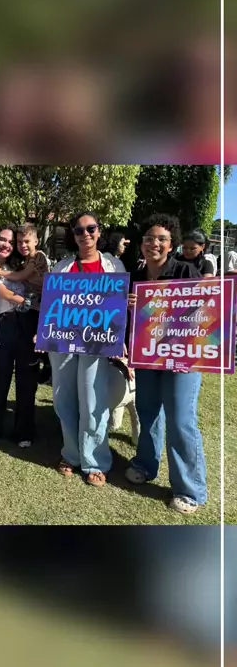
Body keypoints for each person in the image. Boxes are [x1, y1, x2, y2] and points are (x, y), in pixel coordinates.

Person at [125, 214, 207, 514]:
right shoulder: (135, 275)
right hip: (147, 355)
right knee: (148, 412)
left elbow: (206, 311)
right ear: (142, 243)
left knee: (181, 419)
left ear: (172, 245)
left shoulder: (186, 270)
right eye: (149, 238)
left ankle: (190, 489)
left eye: (162, 239)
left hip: (182, 358)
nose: (154, 244)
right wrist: (129, 306)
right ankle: (145, 464)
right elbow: (127, 320)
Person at [48, 212, 126, 485]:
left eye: (90, 228)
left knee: (93, 401)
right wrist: (43, 333)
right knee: (63, 399)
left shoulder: (114, 265)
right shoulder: (63, 267)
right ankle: (71, 454)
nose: (85, 234)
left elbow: (118, 307)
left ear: (99, 231)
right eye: (79, 230)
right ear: (73, 235)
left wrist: (119, 338)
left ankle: (95, 461)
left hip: (97, 344)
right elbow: (52, 305)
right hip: (63, 342)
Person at [0, 224, 39, 447]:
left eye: (11, 242)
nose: (7, 245)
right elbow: (3, 293)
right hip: (2, 325)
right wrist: (31, 303)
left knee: (27, 380)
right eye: (2, 239)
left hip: (27, 324)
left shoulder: (21, 266)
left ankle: (24, 433)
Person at [0, 223, 50, 310]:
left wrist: (1, 272)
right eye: (19, 242)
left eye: (27, 241)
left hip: (41, 299)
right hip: (31, 299)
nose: (23, 245)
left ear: (36, 242)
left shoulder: (38, 256)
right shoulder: (25, 260)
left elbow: (22, 276)